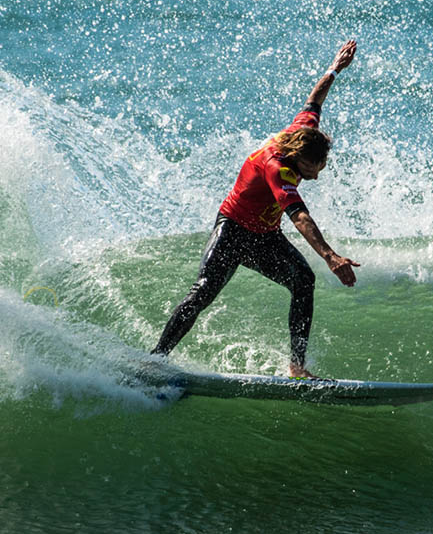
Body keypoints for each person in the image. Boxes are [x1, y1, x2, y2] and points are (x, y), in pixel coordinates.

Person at [151, 40, 360, 378]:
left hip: (264, 235)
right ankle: (156, 359)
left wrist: (335, 68)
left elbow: (315, 99)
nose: (318, 174)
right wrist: (330, 256)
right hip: (233, 230)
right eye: (313, 168)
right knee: (202, 292)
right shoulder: (276, 166)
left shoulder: (302, 131)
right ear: (297, 159)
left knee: (303, 281)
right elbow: (300, 216)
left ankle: (296, 366)